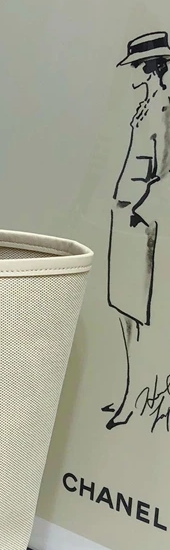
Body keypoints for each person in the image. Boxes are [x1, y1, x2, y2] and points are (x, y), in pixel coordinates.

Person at [104, 32, 169, 429]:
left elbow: (163, 172)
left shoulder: (163, 108)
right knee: (123, 308)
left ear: (149, 68)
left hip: (140, 222)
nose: (131, 75)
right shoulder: (146, 106)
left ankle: (135, 397)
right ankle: (129, 393)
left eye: (136, 67)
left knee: (136, 312)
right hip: (125, 216)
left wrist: (139, 210)